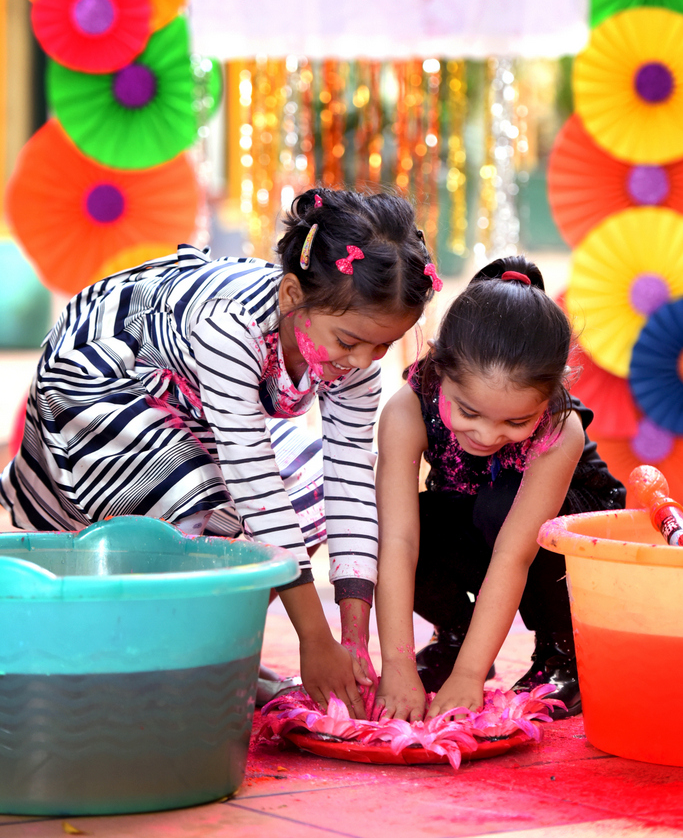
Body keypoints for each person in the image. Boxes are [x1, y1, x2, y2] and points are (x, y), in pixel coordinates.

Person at [0, 188, 439, 716]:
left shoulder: (352, 351)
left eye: (383, 347)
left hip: (191, 403)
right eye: (349, 342)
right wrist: (313, 639)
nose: (362, 361)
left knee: (309, 492)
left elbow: (348, 486)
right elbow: (252, 482)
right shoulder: (230, 329)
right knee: (199, 507)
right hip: (96, 382)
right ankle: (167, 666)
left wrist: (351, 642)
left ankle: (219, 655)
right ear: (292, 296)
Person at [373, 255, 625, 722]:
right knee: (391, 523)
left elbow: (515, 554)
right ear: (439, 371)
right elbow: (400, 542)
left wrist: (468, 678)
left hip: (572, 554)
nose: (487, 436)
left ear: (549, 396)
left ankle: (563, 653)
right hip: (481, 524)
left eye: (515, 421)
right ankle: (457, 635)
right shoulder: (407, 410)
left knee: (500, 507)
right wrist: (397, 664)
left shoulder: (559, 428)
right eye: (468, 412)